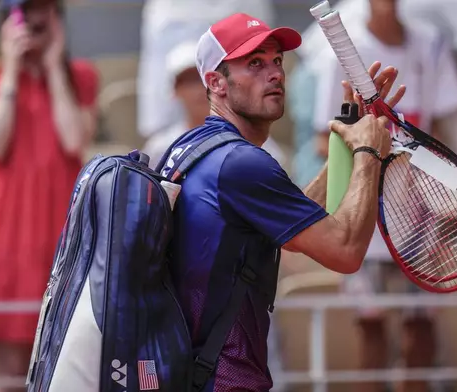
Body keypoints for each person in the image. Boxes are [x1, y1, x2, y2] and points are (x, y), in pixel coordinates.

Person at [160, 12, 406, 392]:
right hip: (221, 380)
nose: (274, 73)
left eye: (277, 61)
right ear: (216, 83)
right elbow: (345, 251)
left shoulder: (195, 148)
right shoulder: (240, 164)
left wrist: (350, 128)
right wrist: (370, 150)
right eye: (254, 64)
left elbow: (290, 232)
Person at [311, 1, 457, 391]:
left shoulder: (431, 45)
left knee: (421, 331)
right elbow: (323, 139)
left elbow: (443, 134)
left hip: (422, 219)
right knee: (371, 330)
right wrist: (372, 151)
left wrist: (448, 202)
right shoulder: (342, 54)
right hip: (364, 214)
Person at [0, 0, 98, 390]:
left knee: (69, 359)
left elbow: (74, 138)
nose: (33, 23)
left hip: (61, 226)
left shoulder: (79, 76)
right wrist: (12, 73)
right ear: (6, 23)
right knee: (10, 368)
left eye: (43, 14)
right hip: (3, 232)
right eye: (24, 15)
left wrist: (51, 67)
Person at [137, 0, 274, 140]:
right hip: (175, 121)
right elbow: (156, 69)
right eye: (193, 81)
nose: (201, 88)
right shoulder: (162, 147)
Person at [141, 40, 287, 170]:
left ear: (217, 82)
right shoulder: (160, 148)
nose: (200, 89)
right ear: (175, 90)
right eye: (190, 81)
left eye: (202, 80)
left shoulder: (258, 143)